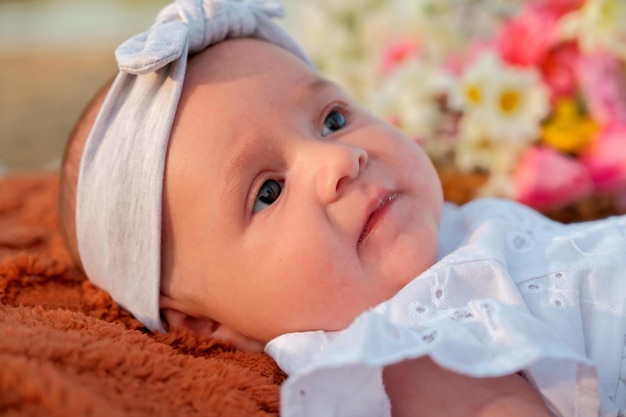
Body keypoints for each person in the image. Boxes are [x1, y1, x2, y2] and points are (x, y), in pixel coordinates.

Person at [58, 1, 625, 416]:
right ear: (205, 325)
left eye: (332, 119)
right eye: (268, 191)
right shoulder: (401, 347)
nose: (340, 160)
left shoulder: (449, 229)